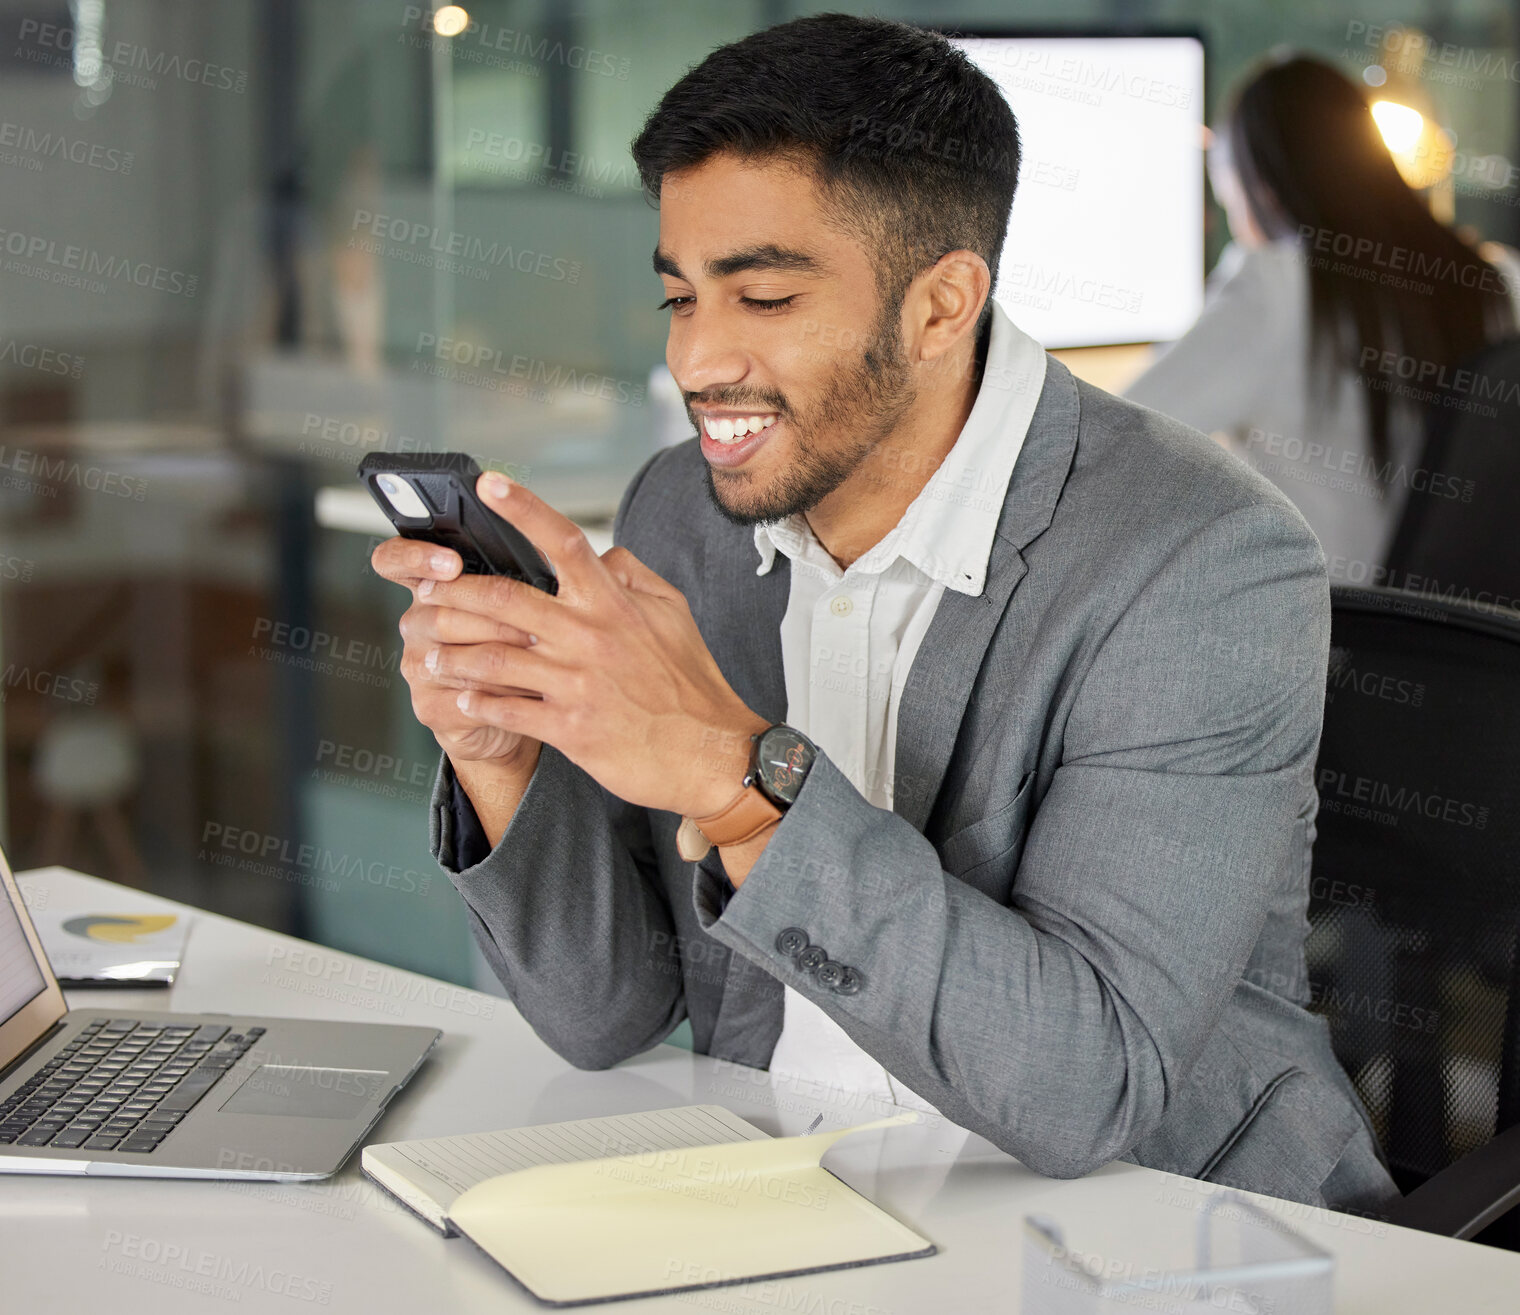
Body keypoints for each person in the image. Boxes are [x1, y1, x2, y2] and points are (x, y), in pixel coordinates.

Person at [372, 14, 1400, 1214]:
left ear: (937, 305)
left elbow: (1087, 1086)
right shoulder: (683, 514)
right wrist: (498, 755)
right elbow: (605, 1014)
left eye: (761, 297)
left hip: (1145, 1236)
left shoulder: (1202, 562)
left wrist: (730, 777)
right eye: (678, 297)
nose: (698, 358)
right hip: (786, 1199)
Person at [1125, 52, 1517, 571]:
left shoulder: (1276, 287)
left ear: (1262, 187)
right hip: (1474, 638)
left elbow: (1118, 445)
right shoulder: (1499, 280)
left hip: (1335, 631)